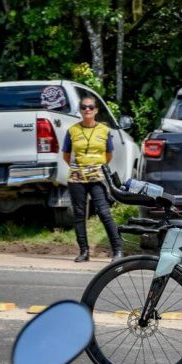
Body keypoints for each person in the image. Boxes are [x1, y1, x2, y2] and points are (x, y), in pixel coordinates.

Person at [62, 96, 123, 263]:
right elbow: (66, 155)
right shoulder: (72, 130)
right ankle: (84, 252)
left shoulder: (104, 130)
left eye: (90, 107)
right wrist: (80, 168)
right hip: (76, 178)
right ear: (80, 110)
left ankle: (117, 250)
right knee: (79, 215)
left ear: (96, 110)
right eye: (84, 107)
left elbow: (108, 155)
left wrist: (95, 166)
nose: (87, 110)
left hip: (97, 177)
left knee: (104, 213)